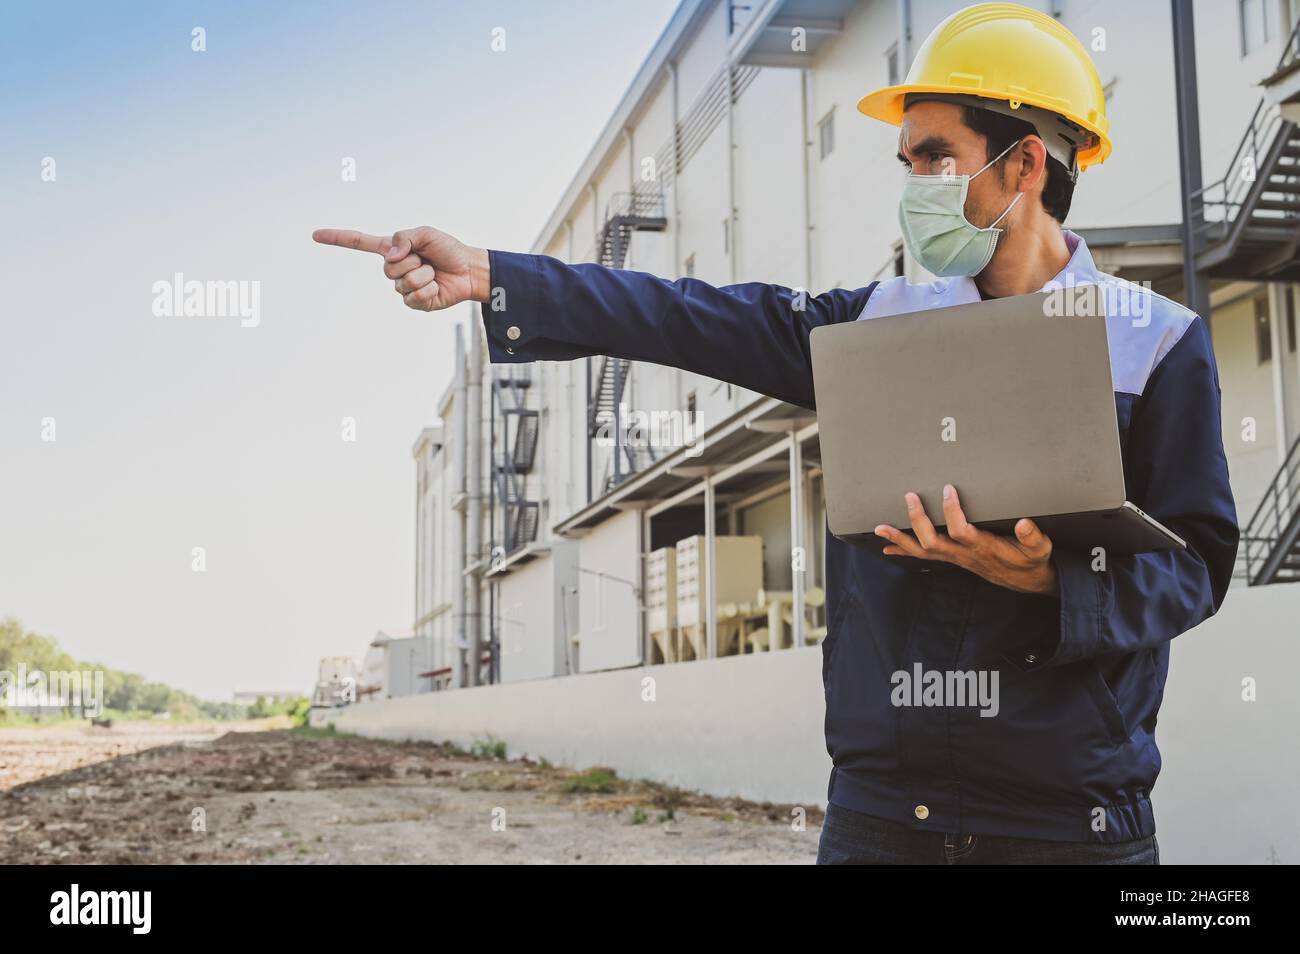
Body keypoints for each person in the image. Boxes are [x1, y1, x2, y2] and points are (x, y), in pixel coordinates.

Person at [313, 2, 1238, 864]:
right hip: (883, 815)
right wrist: (496, 273)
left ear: (1026, 163)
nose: (912, 182)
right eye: (906, 161)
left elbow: (1196, 562)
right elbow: (689, 316)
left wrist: (1054, 580)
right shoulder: (874, 321)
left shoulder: (1152, 341)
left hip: (1071, 819)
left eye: (934, 157)